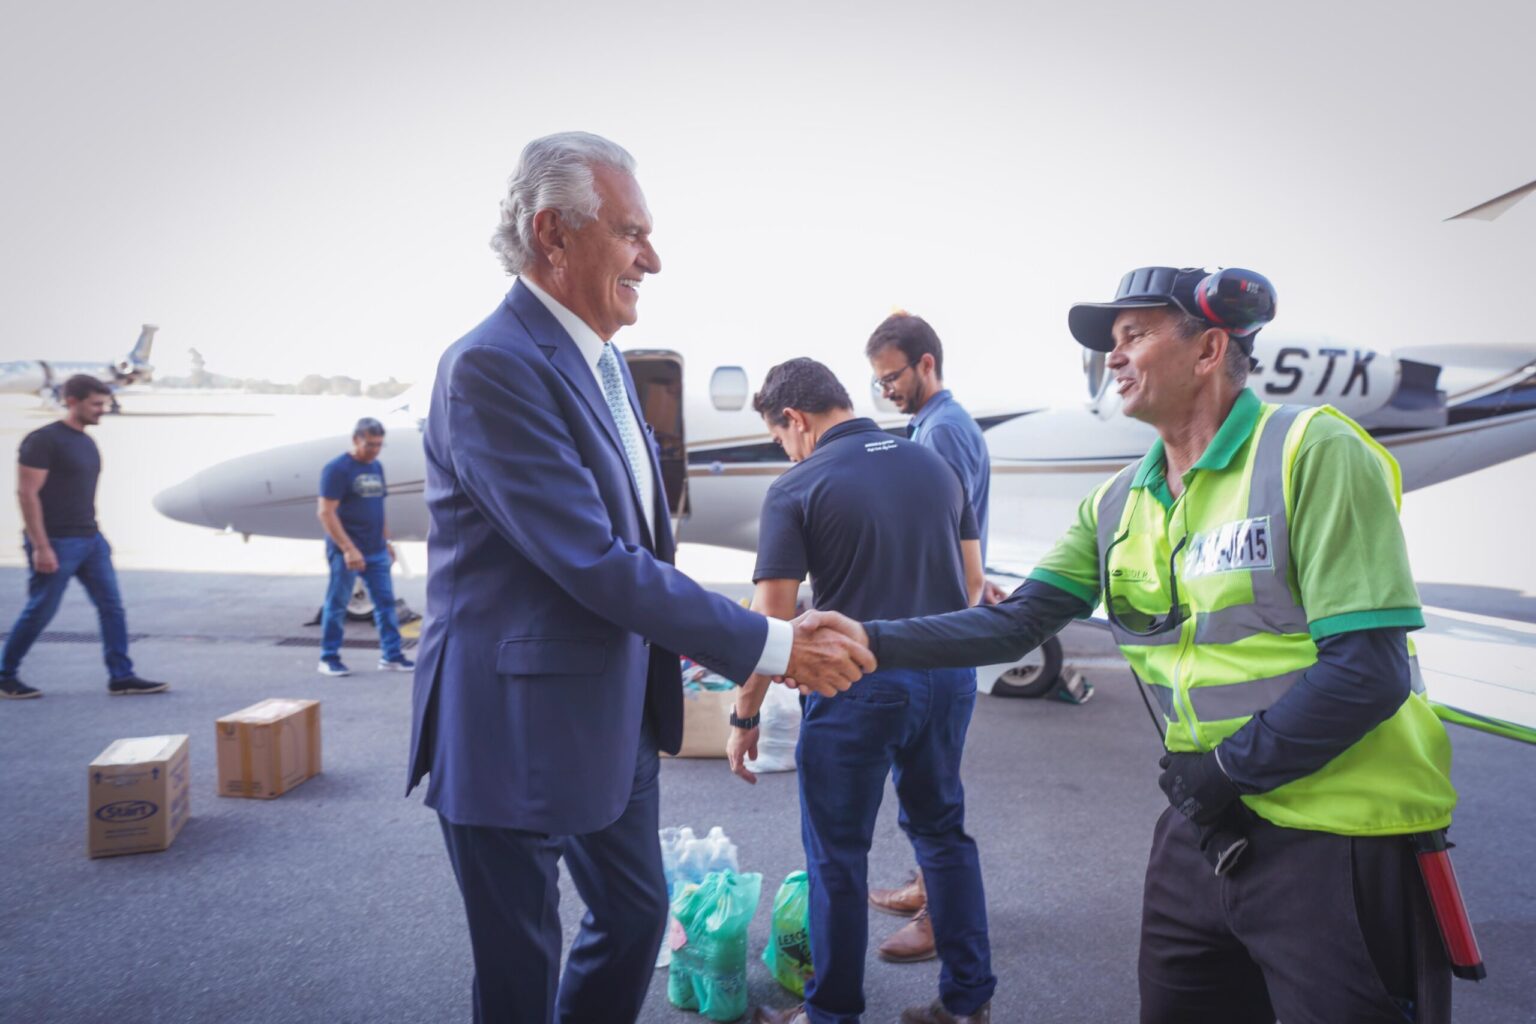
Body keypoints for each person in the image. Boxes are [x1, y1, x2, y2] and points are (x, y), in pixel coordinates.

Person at [802, 266, 1458, 1024]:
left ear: (1210, 348)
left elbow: (1369, 673)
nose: (1112, 358)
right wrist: (870, 638)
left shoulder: (1309, 452)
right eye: (1111, 343)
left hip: (1339, 834)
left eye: (1134, 336)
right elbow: (1015, 624)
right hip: (1206, 823)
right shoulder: (1119, 499)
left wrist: (1227, 773)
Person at [405, 132, 875, 1024]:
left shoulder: (607, 362)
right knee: (519, 969)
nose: (652, 259)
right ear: (553, 232)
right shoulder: (491, 367)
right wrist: (770, 644)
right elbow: (591, 559)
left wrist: (702, 638)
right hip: (514, 727)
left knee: (634, 914)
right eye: (630, 234)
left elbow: (639, 552)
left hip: (613, 716)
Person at [730, 358, 994, 1024]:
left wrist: (744, 713)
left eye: (780, 437)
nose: (784, 450)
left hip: (856, 685)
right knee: (943, 835)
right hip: (946, 675)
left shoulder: (798, 486)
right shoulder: (933, 464)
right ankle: (967, 1005)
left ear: (795, 420)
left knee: (838, 858)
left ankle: (832, 1015)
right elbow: (972, 583)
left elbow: (770, 625)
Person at [864, 310, 1004, 963]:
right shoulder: (929, 426)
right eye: (877, 383)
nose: (886, 390)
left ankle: (940, 918)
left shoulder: (944, 433)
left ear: (926, 364)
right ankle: (927, 887)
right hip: (939, 628)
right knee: (923, 782)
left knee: (932, 789)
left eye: (892, 377)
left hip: (940, 636)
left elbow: (942, 536)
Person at [1, 374, 167, 698]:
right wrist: (41, 546)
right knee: (40, 611)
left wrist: (97, 536)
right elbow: (26, 494)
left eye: (104, 403)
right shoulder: (43, 440)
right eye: (96, 404)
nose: (103, 409)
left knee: (112, 608)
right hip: (56, 542)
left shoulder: (86, 441)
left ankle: (121, 675)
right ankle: (5, 674)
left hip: (90, 540)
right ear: (72, 401)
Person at [315, 416, 412, 677]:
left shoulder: (376, 467)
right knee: (337, 605)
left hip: (376, 549)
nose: (375, 450)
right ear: (355, 440)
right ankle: (329, 657)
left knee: (385, 605)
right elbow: (326, 513)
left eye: (379, 445)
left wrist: (388, 541)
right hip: (346, 552)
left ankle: (391, 656)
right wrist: (348, 548)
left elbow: (377, 507)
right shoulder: (337, 469)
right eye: (370, 444)